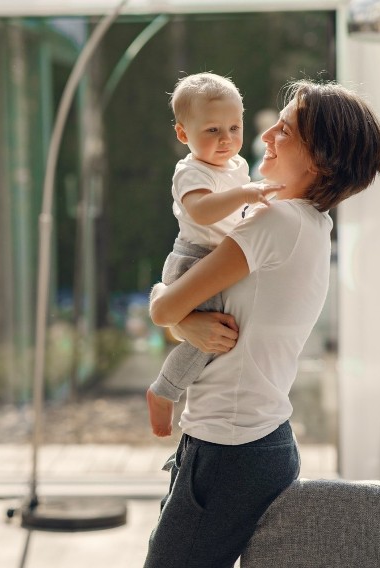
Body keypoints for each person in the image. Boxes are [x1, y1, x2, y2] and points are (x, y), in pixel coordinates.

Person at [143, 79, 380, 568]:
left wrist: (179, 319)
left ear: (319, 157)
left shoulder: (276, 223)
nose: (266, 136)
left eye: (286, 129)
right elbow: (209, 315)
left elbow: (162, 309)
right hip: (245, 440)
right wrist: (188, 325)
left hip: (229, 448)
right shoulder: (308, 223)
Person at [147, 72, 283, 438]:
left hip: (215, 255)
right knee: (208, 340)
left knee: (212, 336)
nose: (226, 140)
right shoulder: (190, 171)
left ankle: (172, 390)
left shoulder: (236, 165)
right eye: (212, 131)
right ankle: (164, 391)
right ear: (183, 135)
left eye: (234, 128)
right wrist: (245, 195)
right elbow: (203, 212)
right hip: (194, 258)